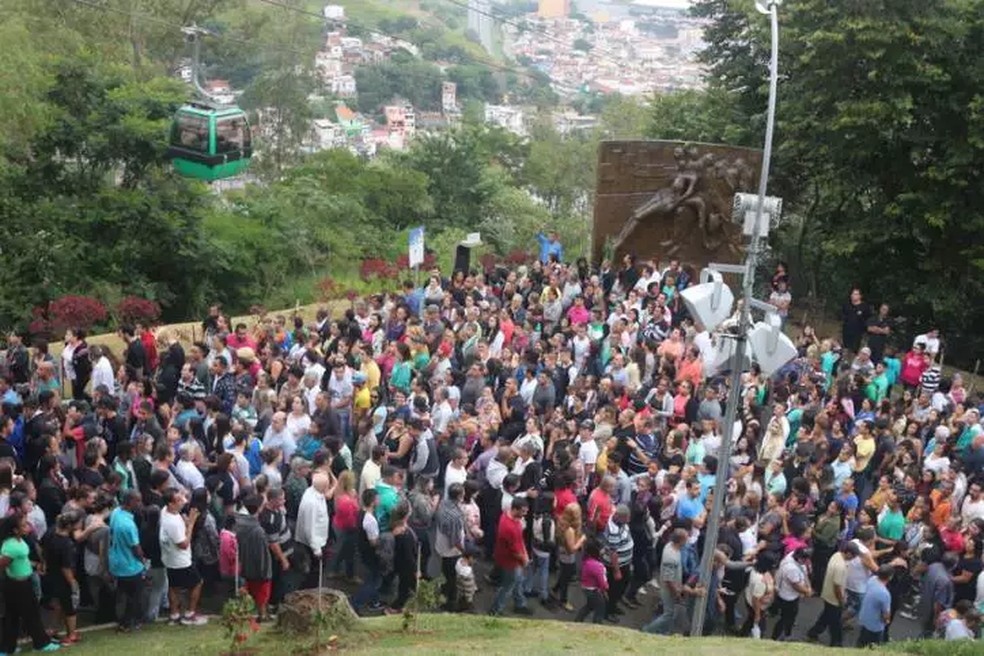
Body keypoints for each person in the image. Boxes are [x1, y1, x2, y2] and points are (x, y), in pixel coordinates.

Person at [0, 514, 60, 653]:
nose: (28, 526)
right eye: (24, 525)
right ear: (15, 530)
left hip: (20, 584)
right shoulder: (12, 546)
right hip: (18, 586)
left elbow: (21, 560)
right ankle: (41, 644)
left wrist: (35, 565)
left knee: (13, 616)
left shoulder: (17, 541)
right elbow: (3, 564)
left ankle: (7, 648)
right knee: (31, 614)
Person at [159, 488, 208, 625]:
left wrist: (185, 522)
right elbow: (184, 544)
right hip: (181, 560)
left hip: (169, 558)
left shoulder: (165, 511)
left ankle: (174, 615)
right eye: (179, 500)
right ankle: (190, 614)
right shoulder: (173, 522)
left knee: (173, 586)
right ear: (171, 504)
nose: (183, 502)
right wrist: (191, 523)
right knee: (198, 583)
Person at [807, 541, 860, 647]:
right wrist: (841, 601)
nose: (853, 559)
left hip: (827, 594)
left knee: (826, 616)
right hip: (834, 598)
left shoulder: (836, 555)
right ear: (848, 553)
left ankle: (813, 633)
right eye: (853, 556)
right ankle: (836, 642)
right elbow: (837, 587)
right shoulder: (840, 566)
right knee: (836, 623)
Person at [108, 490, 147, 633]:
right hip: (130, 566)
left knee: (122, 594)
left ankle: (123, 620)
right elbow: (136, 548)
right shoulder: (128, 526)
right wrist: (143, 561)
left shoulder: (116, 512)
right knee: (134, 597)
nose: (140, 504)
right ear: (130, 502)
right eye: (138, 501)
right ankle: (128, 623)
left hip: (116, 562)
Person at [489, 497, 531, 616]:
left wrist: (524, 554)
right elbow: (515, 551)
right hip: (510, 562)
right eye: (523, 511)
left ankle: (520, 603)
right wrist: (524, 560)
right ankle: (496, 609)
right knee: (507, 587)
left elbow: (519, 542)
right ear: (515, 509)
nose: (525, 513)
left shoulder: (507, 516)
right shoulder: (510, 528)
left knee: (517, 582)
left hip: (507, 558)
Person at [235, 494, 274, 621]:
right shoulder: (258, 531)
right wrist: (265, 572)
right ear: (258, 508)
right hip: (259, 569)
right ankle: (262, 615)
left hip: (245, 566)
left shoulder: (240, 524)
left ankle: (247, 613)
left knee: (250, 590)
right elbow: (262, 554)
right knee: (262, 593)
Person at [857, 565, 894, 647]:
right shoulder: (885, 594)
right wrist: (887, 621)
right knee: (873, 647)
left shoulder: (872, 579)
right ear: (890, 577)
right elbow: (886, 614)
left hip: (864, 619)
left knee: (861, 643)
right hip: (875, 626)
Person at [575, 539, 609, 624]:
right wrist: (606, 588)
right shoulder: (597, 566)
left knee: (589, 606)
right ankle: (596, 626)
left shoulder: (587, 561)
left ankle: (578, 621)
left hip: (586, 588)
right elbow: (603, 583)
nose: (604, 550)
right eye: (601, 549)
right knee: (600, 609)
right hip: (594, 590)